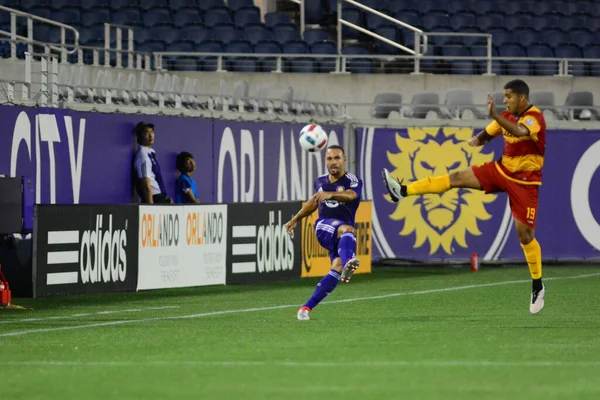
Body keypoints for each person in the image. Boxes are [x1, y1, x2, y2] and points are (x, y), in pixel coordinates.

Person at [382, 79, 547, 314]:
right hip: (501, 170)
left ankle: (537, 285)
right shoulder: (506, 116)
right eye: (504, 96)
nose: (505, 100)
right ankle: (403, 190)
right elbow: (487, 134)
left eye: (509, 96)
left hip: (525, 182)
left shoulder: (533, 117)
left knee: (525, 235)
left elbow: (519, 131)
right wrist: (477, 140)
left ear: (522, 97)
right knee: (457, 177)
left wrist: (495, 116)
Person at [285, 145, 363, 321]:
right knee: (348, 230)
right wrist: (295, 219)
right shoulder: (320, 182)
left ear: (344, 160)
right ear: (325, 161)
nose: (333, 162)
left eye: (337, 158)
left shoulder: (353, 180)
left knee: (337, 267)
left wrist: (330, 194)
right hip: (323, 227)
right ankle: (348, 262)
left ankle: (305, 309)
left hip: (342, 234)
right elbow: (313, 202)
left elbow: (351, 195)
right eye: (329, 159)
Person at [133, 121, 173, 204]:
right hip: (155, 199)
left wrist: (167, 199)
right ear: (139, 137)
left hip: (161, 198)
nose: (150, 136)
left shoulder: (150, 152)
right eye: (146, 133)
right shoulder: (143, 155)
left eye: (151, 132)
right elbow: (145, 186)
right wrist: (151, 208)